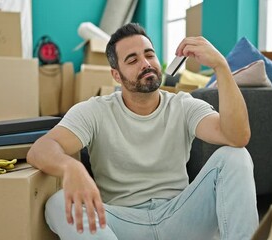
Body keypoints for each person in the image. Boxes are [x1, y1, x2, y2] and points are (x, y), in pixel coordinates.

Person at [27, 22, 259, 240]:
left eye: (149, 54)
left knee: (235, 156)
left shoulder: (183, 105)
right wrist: (70, 167)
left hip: (179, 217)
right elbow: (40, 149)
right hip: (121, 222)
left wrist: (221, 66)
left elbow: (236, 136)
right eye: (132, 59)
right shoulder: (94, 110)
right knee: (57, 203)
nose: (145, 63)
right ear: (116, 75)